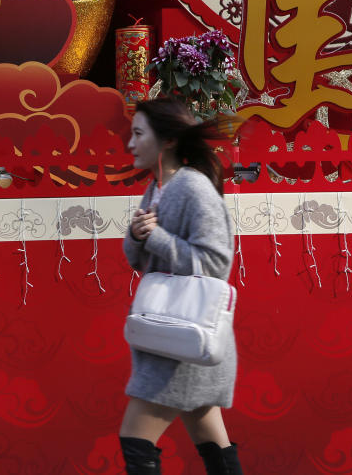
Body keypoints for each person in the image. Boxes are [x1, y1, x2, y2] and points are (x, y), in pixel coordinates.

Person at [119, 98, 243, 475]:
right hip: (175, 338)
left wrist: (154, 237)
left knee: (136, 440)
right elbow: (138, 259)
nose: (130, 143)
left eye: (139, 134)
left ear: (168, 139)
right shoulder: (158, 188)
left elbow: (216, 264)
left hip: (181, 343)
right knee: (213, 445)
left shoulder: (193, 188)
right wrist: (138, 237)